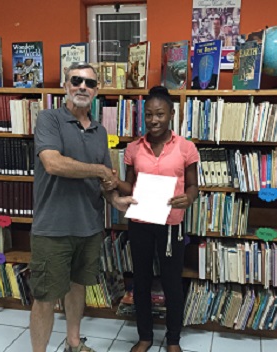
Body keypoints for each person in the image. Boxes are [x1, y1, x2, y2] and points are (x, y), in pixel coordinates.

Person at [29, 62, 135, 352]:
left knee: (78, 288)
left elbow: (103, 185)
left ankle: (73, 343)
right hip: (53, 228)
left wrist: (116, 201)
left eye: (89, 83)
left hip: (89, 228)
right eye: (76, 81)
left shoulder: (101, 132)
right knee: (45, 297)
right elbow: (53, 163)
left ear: (97, 90)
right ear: (65, 86)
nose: (82, 87)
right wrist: (100, 171)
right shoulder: (49, 119)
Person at [115, 86, 199, 352]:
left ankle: (173, 339)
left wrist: (189, 197)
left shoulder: (186, 148)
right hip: (140, 222)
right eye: (149, 115)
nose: (154, 120)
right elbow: (130, 186)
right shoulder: (133, 148)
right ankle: (145, 337)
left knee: (172, 281)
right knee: (140, 279)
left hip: (171, 224)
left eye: (160, 114)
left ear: (171, 114)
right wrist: (115, 182)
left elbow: (194, 186)